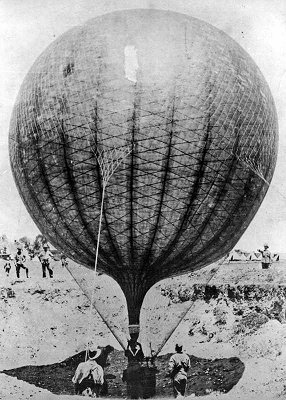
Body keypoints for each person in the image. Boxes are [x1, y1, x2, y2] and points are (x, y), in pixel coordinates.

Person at [123, 328, 145, 399]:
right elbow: (142, 356)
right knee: (138, 381)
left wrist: (128, 345)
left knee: (130, 381)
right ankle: (139, 396)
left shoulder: (129, 348)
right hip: (137, 365)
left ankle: (130, 396)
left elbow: (126, 354)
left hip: (130, 366)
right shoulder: (139, 348)